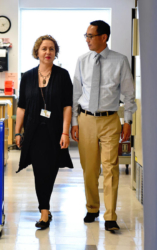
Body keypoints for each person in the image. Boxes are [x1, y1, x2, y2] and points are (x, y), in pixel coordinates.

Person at [71, 20, 137, 231]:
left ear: (103, 37)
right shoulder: (82, 60)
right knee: (89, 169)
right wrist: (74, 121)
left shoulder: (120, 61)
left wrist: (127, 121)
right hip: (86, 119)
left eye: (90, 36)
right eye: (86, 36)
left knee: (111, 168)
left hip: (110, 120)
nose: (87, 39)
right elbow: (76, 94)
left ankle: (110, 215)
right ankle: (92, 208)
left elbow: (128, 94)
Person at [15, 35, 74, 230]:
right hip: (33, 132)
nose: (47, 52)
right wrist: (17, 132)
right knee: (40, 172)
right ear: (37, 52)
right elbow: (21, 107)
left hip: (55, 132)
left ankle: (45, 209)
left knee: (50, 171)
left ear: (55, 52)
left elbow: (67, 106)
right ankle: (44, 212)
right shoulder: (27, 76)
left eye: (51, 49)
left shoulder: (63, 75)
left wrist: (65, 133)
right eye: (44, 49)